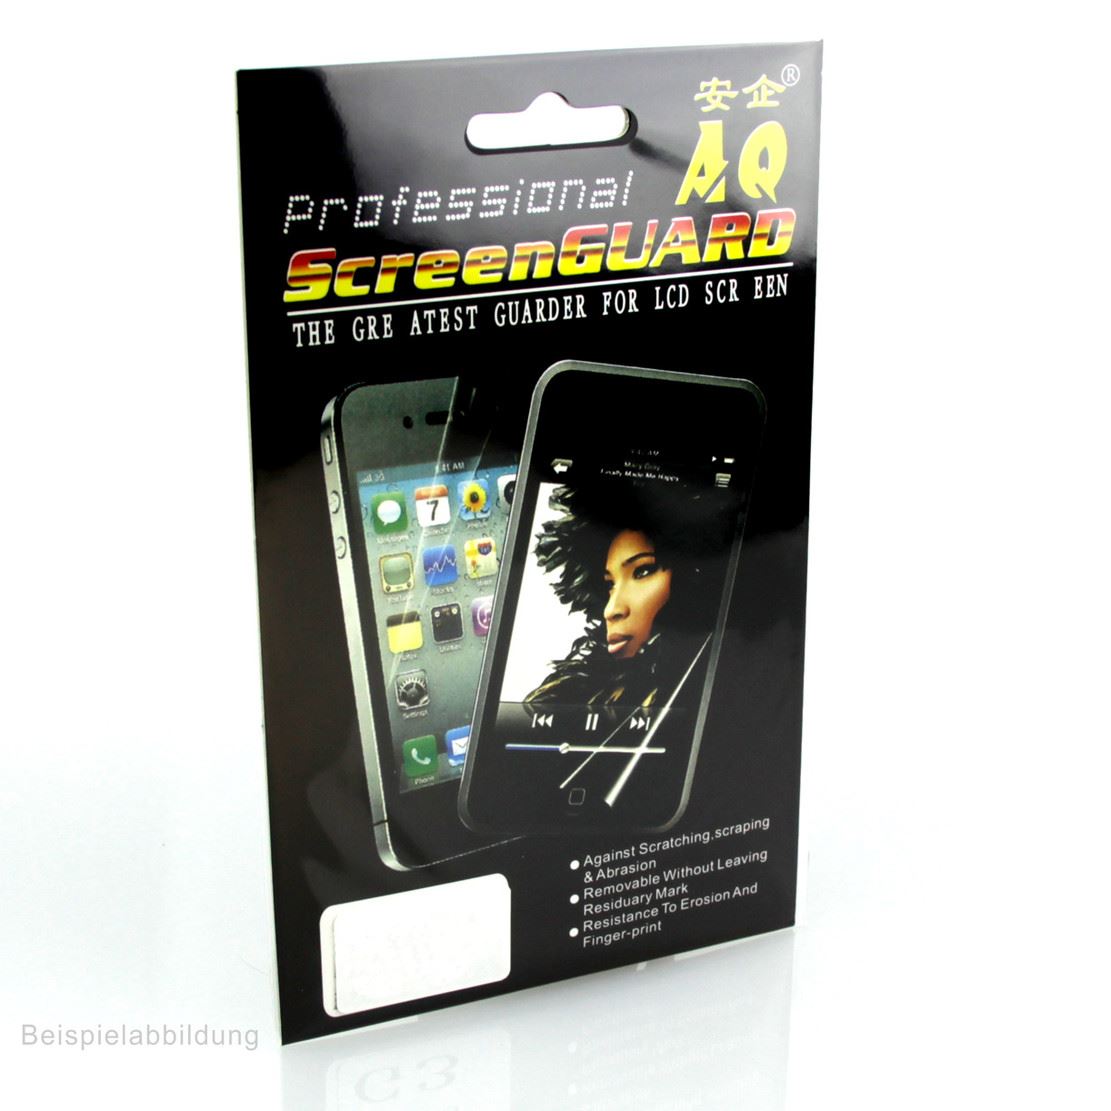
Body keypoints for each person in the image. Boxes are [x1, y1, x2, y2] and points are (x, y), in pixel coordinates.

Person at [524, 479, 730, 710]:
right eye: (609, 584)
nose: (611, 610)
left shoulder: (720, 680)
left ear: (693, 573)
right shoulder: (577, 693)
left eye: (643, 571)